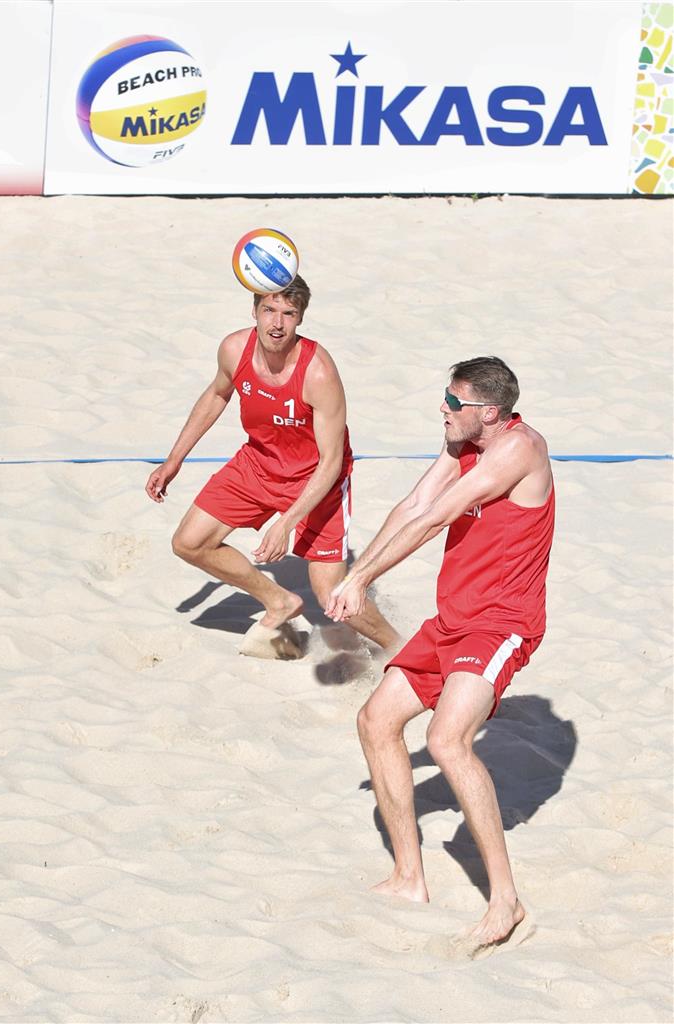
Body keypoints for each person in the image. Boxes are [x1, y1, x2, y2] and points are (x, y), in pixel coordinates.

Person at [326, 356, 554, 952]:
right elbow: (412, 505)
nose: (444, 410)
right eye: (446, 398)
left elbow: (436, 518)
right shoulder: (463, 443)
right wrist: (355, 576)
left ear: (492, 412)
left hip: (501, 624)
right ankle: (409, 877)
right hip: (453, 620)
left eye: (456, 403)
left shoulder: (519, 448)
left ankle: (505, 901)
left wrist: (362, 579)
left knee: (447, 740)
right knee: (376, 721)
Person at [145, 274, 400, 657]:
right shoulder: (234, 349)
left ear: (300, 319)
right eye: (269, 310)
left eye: (288, 313)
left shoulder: (318, 372)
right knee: (188, 543)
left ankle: (400, 648)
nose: (277, 324)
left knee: (331, 595)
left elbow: (331, 462)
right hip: (258, 463)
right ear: (254, 312)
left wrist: (286, 523)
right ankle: (279, 601)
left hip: (316, 479)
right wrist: (173, 460)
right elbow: (216, 395)